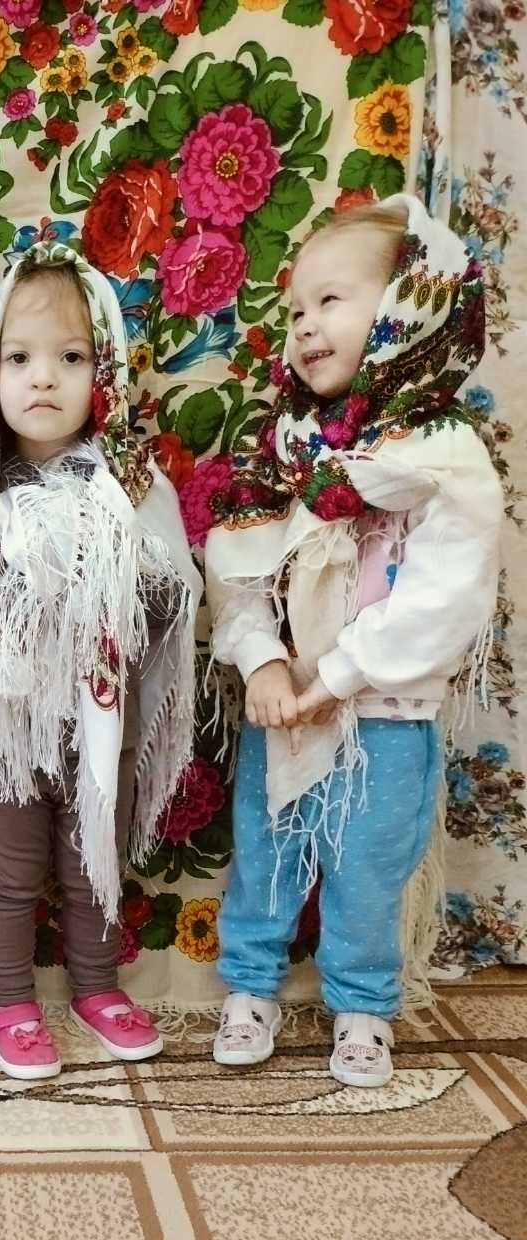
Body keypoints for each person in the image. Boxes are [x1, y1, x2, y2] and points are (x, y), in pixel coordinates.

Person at [206, 195, 502, 1087]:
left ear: (410, 305)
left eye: (330, 301)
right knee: (266, 850)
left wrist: (340, 674)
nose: (304, 325)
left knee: (367, 866)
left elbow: (446, 593)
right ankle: (249, 987)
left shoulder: (444, 453)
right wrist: (262, 659)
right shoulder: (282, 445)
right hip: (285, 701)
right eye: (296, 309)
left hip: (383, 708)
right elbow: (239, 564)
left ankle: (363, 1005)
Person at [0, 241, 201, 1080]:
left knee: (91, 867)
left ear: (104, 370)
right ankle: (9, 1000)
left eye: (71, 357)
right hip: (9, 727)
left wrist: (108, 584)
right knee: (10, 876)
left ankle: (96, 986)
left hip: (101, 718)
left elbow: (174, 594)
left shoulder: (133, 486)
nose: (43, 378)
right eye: (20, 358)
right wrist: (16, 608)